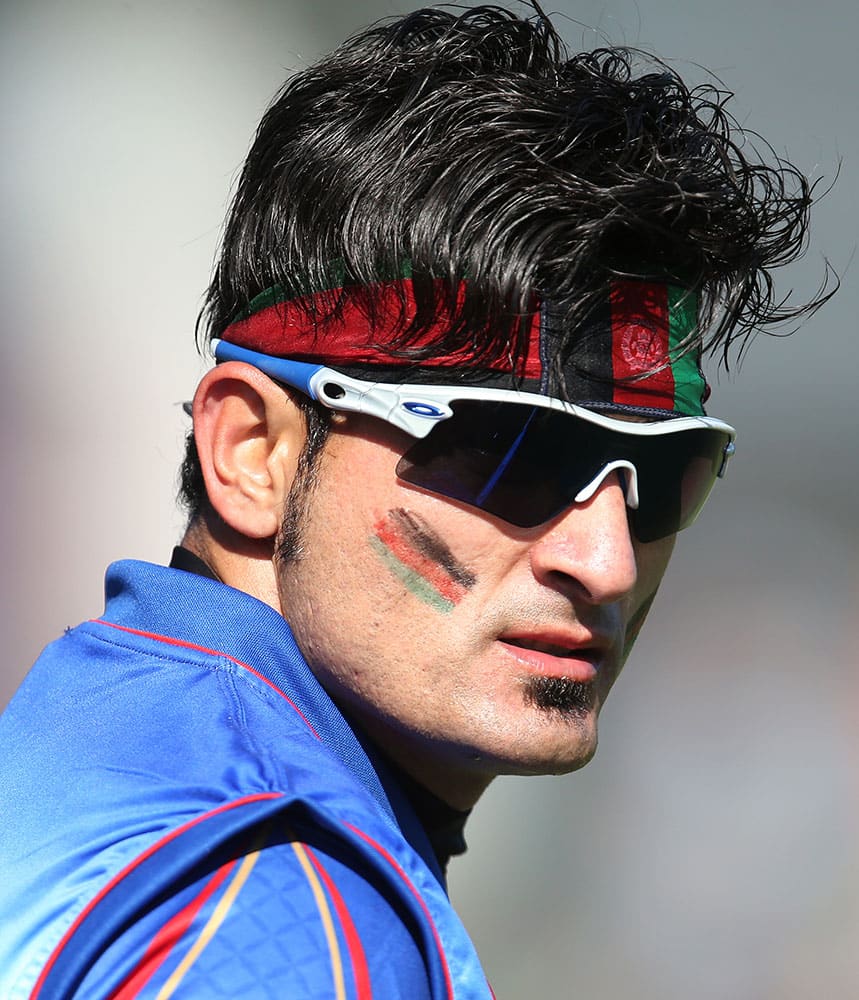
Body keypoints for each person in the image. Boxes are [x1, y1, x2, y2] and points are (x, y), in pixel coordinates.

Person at [0, 4, 828, 997]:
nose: (602, 559)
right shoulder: (282, 914)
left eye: (661, 478)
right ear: (251, 452)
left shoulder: (94, 741)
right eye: (511, 452)